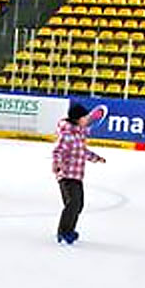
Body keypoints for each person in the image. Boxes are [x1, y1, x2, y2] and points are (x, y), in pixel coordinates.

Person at [51, 102, 105, 246]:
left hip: (77, 174)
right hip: (66, 175)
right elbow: (57, 151)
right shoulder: (67, 135)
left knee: (78, 205)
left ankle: (69, 230)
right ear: (76, 119)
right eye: (84, 117)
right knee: (73, 203)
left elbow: (83, 152)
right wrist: (56, 164)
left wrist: (96, 158)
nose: (87, 119)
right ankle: (63, 232)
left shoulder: (79, 134)